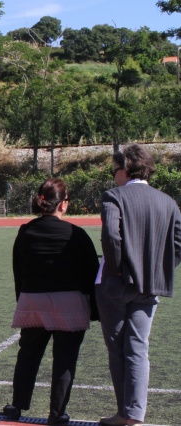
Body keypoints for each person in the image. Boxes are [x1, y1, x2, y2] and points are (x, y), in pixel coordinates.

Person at [97, 144, 181, 426]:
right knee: (138, 348)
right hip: (150, 286)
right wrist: (156, 270)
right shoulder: (168, 202)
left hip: (116, 285)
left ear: (126, 168)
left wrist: (118, 269)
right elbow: (178, 245)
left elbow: (111, 237)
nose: (113, 176)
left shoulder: (114, 196)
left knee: (118, 349)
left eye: (114, 170)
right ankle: (134, 414)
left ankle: (124, 413)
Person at [4, 178, 99, 425]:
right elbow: (92, 272)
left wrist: (22, 300)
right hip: (69, 303)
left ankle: (16, 405)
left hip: (33, 301)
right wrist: (95, 309)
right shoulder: (76, 234)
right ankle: (57, 413)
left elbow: (18, 270)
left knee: (28, 354)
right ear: (63, 204)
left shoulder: (25, 231)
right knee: (65, 359)